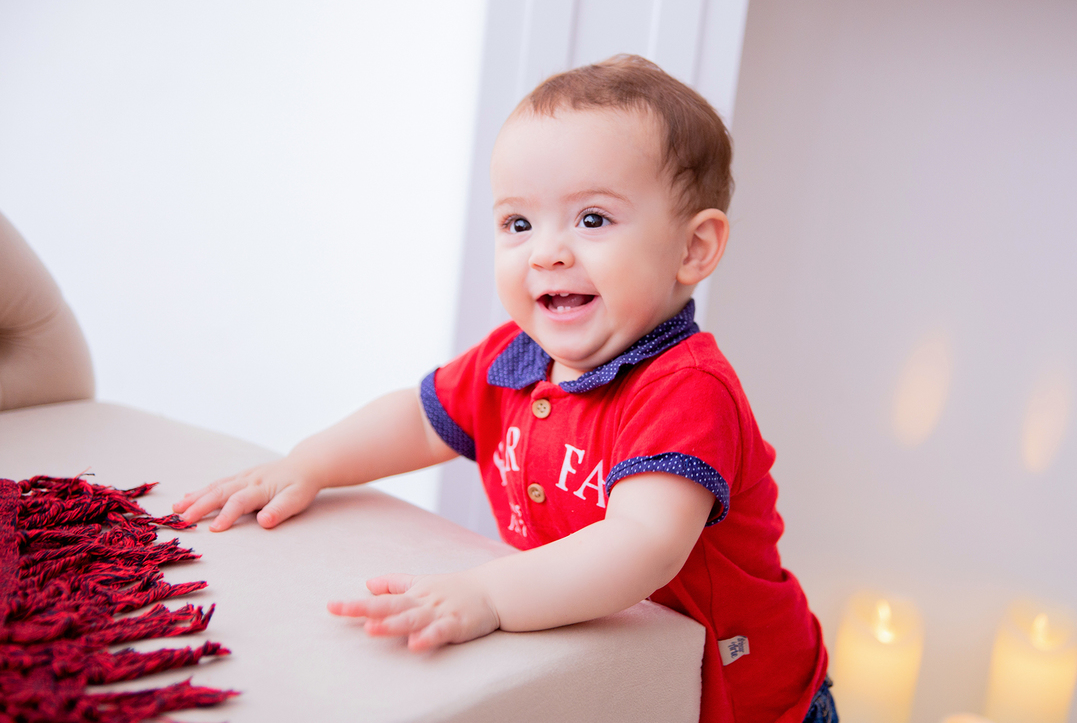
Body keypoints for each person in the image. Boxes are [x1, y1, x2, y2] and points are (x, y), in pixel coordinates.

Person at [174, 55, 837, 723]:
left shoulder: (684, 388)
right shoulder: (516, 359)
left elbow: (642, 544)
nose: (546, 252)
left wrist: (489, 596)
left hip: (748, 698)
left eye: (593, 219)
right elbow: (418, 418)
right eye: (519, 224)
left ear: (693, 250)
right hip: (615, 673)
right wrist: (309, 463)